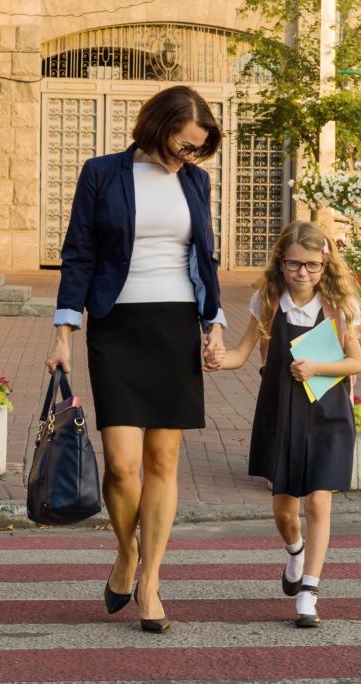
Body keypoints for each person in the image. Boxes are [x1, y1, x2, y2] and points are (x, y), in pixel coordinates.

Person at [45, 85, 226, 634]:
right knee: (123, 465)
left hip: (174, 325)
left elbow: (205, 256)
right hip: (116, 326)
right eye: (182, 141)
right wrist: (63, 331)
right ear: (157, 124)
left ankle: (149, 580)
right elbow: (79, 253)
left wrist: (213, 323)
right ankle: (126, 551)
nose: (187, 155)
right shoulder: (101, 173)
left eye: (196, 148)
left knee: (164, 464)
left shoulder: (195, 181)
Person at [208, 221, 361, 628]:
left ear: (325, 262)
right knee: (283, 509)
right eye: (295, 264)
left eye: (313, 265)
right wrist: (213, 359)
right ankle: (294, 550)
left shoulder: (338, 305)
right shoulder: (268, 300)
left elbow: (356, 363)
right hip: (280, 412)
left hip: (328, 411)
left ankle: (309, 594)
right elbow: (241, 355)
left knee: (318, 501)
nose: (303, 273)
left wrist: (318, 366)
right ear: (281, 262)